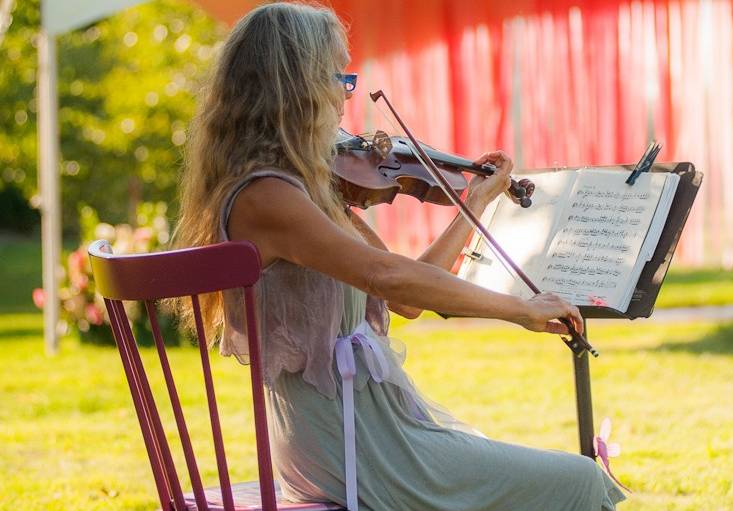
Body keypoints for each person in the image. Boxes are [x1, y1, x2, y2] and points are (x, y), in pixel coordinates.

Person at [174, 2, 625, 510]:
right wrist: (522, 309)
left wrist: (473, 201)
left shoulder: (307, 191)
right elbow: (388, 275)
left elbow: (408, 295)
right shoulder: (268, 198)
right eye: (337, 76)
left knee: (559, 478)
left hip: (373, 427)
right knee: (578, 482)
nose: (346, 98)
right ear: (295, 86)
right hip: (349, 446)